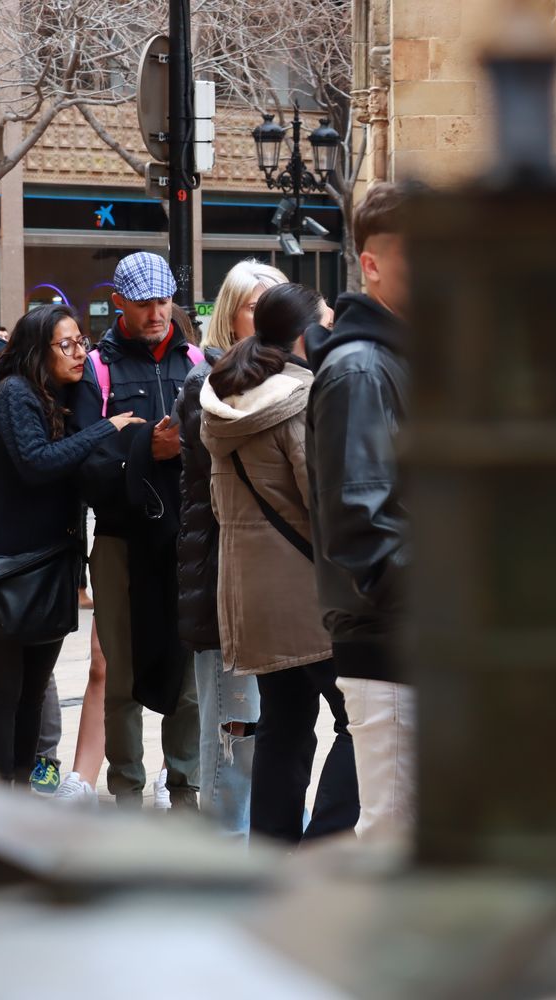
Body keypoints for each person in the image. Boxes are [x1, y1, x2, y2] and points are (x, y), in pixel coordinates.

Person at [202, 283, 357, 844]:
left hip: (250, 594)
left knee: (284, 728)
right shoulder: (300, 399)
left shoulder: (224, 398)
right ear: (302, 334)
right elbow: (326, 505)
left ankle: (272, 857)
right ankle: (322, 847)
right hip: (308, 595)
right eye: (325, 325)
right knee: (362, 720)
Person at [0, 305, 140, 784]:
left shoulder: (57, 394)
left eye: (81, 341)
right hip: (10, 569)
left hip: (50, 567)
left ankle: (20, 787)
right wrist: (108, 427)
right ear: (38, 349)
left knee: (31, 691)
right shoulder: (17, 394)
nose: (79, 352)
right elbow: (37, 463)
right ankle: (0, 794)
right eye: (67, 345)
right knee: (4, 693)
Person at [69, 252, 205, 810]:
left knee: (189, 675)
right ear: (118, 302)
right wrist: (145, 449)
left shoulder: (197, 360)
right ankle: (126, 788)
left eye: (164, 299)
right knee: (118, 671)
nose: (156, 312)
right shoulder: (96, 369)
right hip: (121, 539)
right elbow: (85, 460)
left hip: (188, 538)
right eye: (144, 302)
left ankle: (184, 785)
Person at [305, 183, 416, 843]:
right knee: (394, 845)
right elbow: (364, 532)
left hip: (418, 642)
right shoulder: (361, 370)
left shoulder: (398, 360)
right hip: (393, 644)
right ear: (371, 263)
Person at [176, 259, 286, 834]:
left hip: (267, 586)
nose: (265, 318)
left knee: (264, 728)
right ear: (230, 314)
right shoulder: (209, 383)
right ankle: (225, 849)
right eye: (254, 306)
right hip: (225, 581)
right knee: (230, 729)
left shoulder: (279, 379)